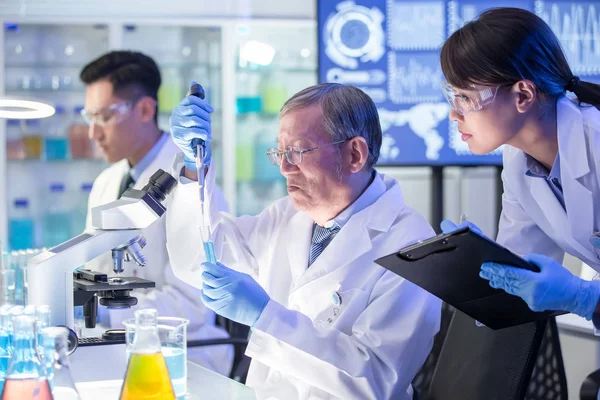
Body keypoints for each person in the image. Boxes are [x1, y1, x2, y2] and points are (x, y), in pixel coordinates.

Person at [166, 82, 441, 399]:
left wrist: (265, 317)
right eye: (280, 153)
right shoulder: (286, 217)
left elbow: (376, 379)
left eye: (297, 152)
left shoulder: (410, 244)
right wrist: (192, 165)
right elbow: (197, 261)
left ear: (354, 154)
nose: (284, 168)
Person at [438, 8, 600, 325]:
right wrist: (477, 266)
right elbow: (516, 278)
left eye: (465, 98)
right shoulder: (517, 162)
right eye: (452, 97)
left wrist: (585, 297)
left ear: (522, 94)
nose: (454, 115)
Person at [79, 51, 232, 375]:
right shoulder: (106, 182)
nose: (93, 133)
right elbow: (93, 273)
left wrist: (104, 315)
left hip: (188, 356)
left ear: (146, 109)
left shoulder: (193, 182)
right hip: (118, 345)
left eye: (104, 117)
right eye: (88, 117)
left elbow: (192, 304)